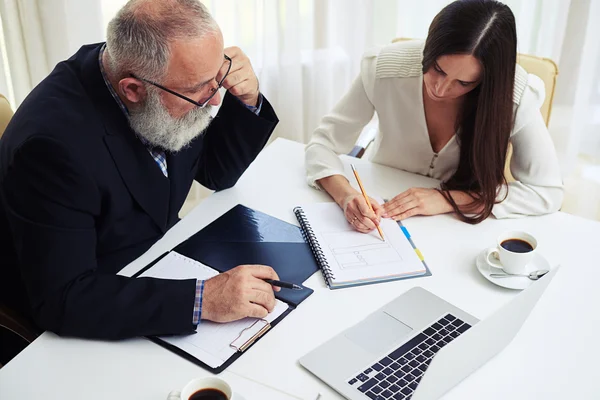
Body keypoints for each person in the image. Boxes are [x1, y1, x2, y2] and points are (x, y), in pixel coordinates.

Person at [0, 0, 281, 340]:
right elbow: (63, 298)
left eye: (217, 77)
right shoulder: (51, 148)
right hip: (99, 301)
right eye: (199, 90)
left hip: (159, 259)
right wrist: (202, 300)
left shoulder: (167, 80)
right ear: (132, 90)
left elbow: (215, 173)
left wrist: (247, 99)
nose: (215, 99)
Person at [305, 0, 563, 232]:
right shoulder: (383, 68)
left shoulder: (514, 97)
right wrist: (346, 195)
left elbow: (546, 192)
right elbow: (322, 145)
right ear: (429, 45)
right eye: (437, 69)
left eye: (463, 82)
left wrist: (448, 199)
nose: (439, 89)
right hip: (382, 205)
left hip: (462, 227)